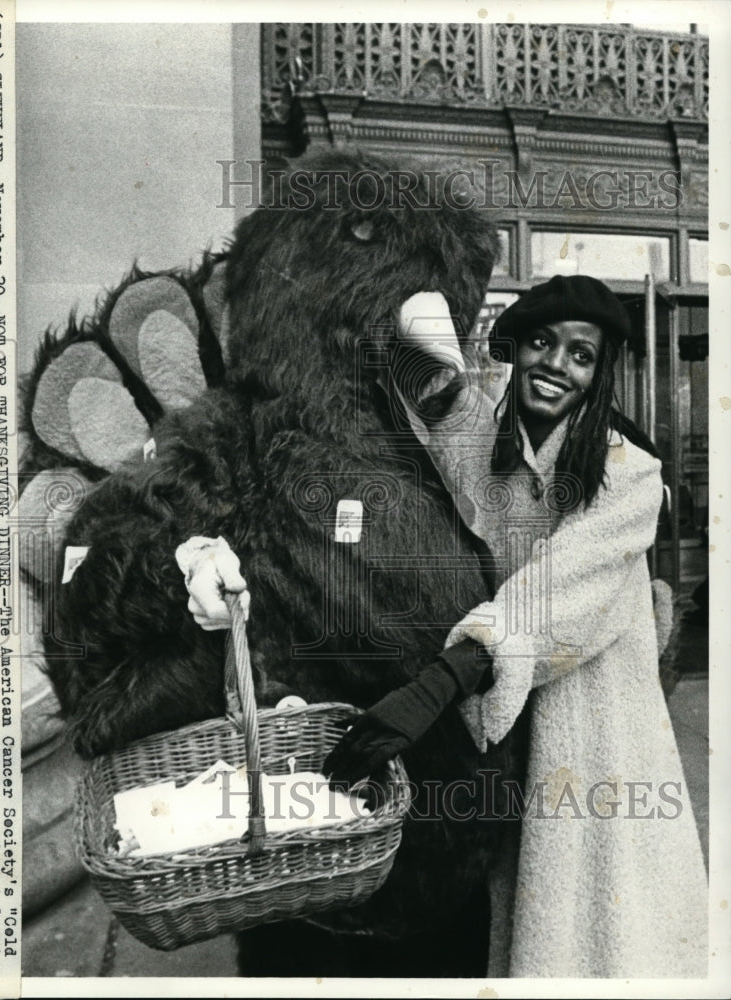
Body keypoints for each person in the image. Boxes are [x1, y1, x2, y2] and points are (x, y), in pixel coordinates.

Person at [182, 275, 708, 978]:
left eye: (581, 356)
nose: (557, 365)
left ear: (599, 373)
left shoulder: (626, 471)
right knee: (518, 911)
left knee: (592, 923)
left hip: (595, 732)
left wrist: (438, 684)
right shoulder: (493, 444)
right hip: (510, 720)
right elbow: (424, 389)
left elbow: (553, 594)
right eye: (543, 344)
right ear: (515, 350)